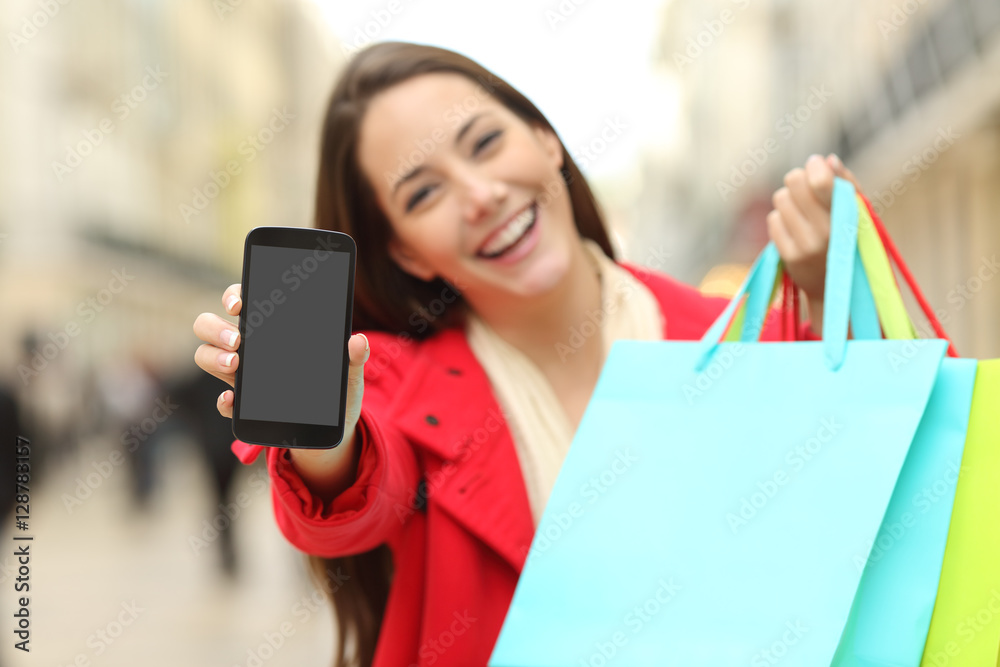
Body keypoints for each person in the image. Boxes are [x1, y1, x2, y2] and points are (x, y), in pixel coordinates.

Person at [193, 41, 862, 667]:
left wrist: (840, 296)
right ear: (404, 250)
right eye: (424, 193)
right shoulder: (394, 385)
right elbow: (357, 502)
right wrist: (326, 434)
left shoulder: (752, 339)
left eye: (486, 143)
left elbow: (907, 476)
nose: (481, 196)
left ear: (547, 141)